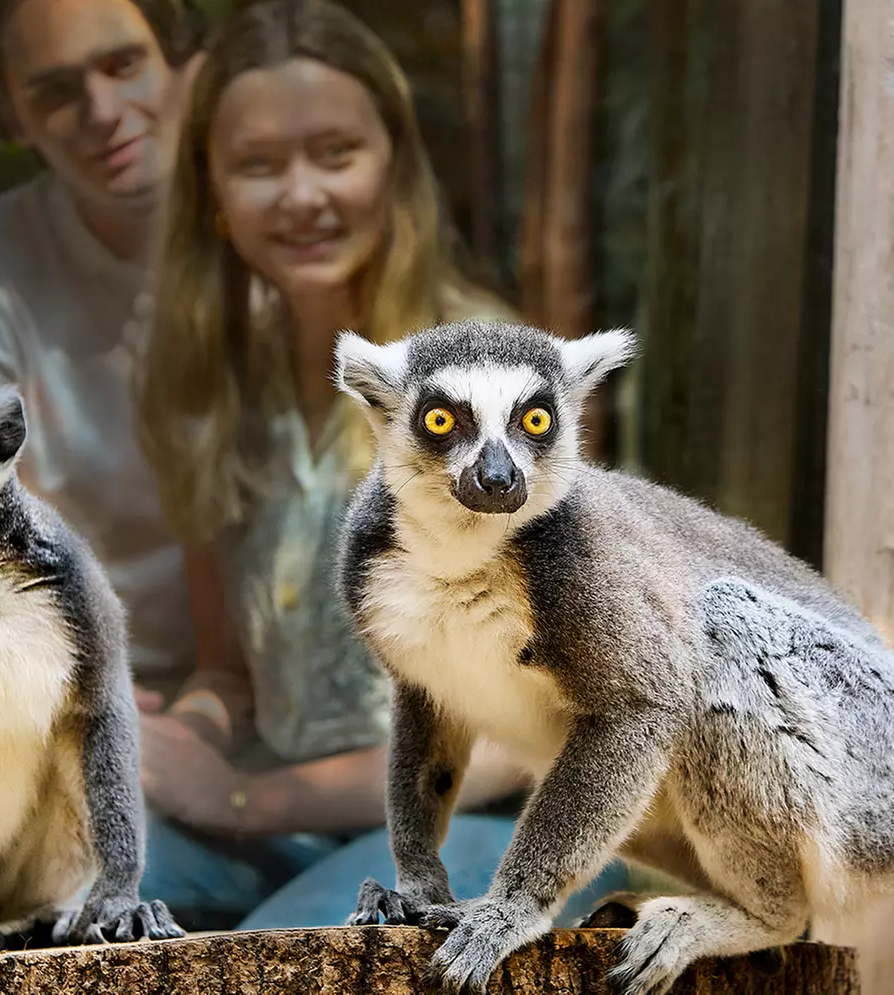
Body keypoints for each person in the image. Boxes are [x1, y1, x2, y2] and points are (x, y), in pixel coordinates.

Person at [129, 0, 633, 930]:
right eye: (257, 164)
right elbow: (230, 672)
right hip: (283, 816)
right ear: (212, 193)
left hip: (486, 814)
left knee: (270, 959)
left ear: (397, 168)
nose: (302, 194)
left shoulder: (495, 388)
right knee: (84, 885)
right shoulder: (203, 391)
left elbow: (536, 729)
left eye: (335, 151)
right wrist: (169, 738)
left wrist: (244, 802)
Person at [0, 0, 206, 683]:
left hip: (308, 679)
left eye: (124, 65)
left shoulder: (289, 238)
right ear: (10, 116)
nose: (103, 110)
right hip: (69, 687)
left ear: (184, 62)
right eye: (56, 91)